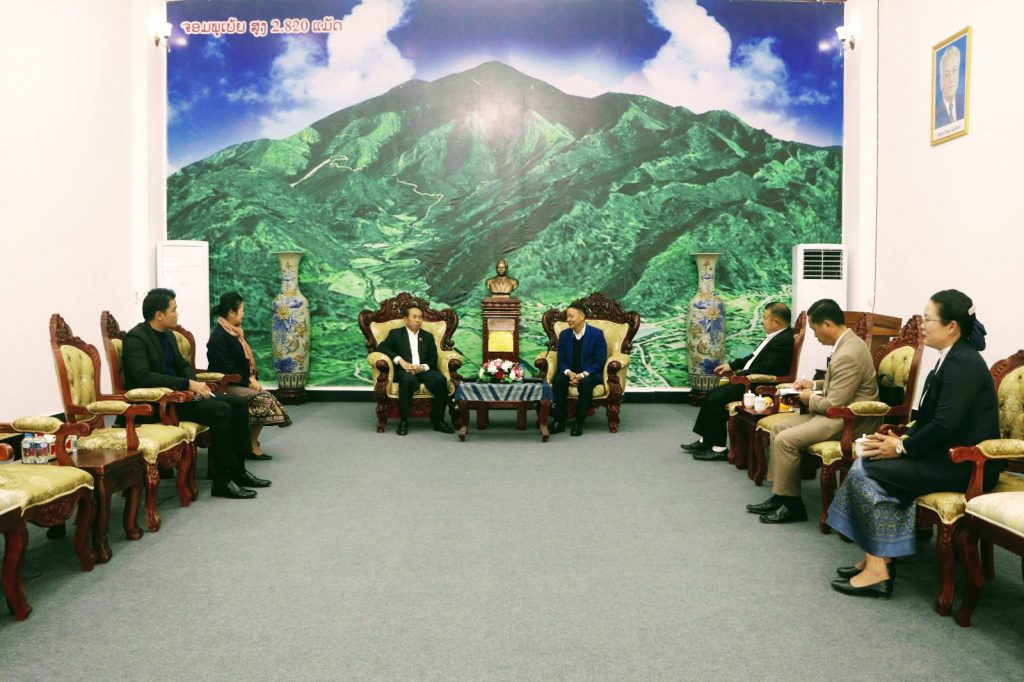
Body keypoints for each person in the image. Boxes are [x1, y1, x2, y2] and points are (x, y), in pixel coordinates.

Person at [826, 290, 1002, 598]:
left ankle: (878, 571)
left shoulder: (963, 363)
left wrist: (901, 448)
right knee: (869, 461)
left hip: (967, 466)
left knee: (868, 471)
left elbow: (946, 425)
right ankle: (879, 557)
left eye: (927, 319)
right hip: (944, 456)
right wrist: (901, 439)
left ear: (951, 326)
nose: (922, 324)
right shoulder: (952, 358)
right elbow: (930, 419)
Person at [122, 288, 271, 500]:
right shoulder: (136, 338)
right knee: (221, 410)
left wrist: (195, 384)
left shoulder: (168, 335)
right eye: (173, 310)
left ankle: (238, 471)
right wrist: (186, 384)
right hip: (158, 405)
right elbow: (143, 376)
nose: (177, 314)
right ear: (159, 315)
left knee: (237, 403)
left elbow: (183, 366)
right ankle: (222, 482)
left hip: (181, 398)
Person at [747, 299, 879, 524]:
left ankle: (793, 506)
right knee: (778, 428)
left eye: (815, 329)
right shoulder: (846, 344)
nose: (815, 335)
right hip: (835, 413)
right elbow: (837, 385)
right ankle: (781, 496)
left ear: (827, 324)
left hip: (848, 420)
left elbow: (833, 404)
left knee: (786, 439)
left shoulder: (849, 352)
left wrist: (809, 397)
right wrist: (813, 384)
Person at [682, 302, 795, 461]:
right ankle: (706, 442)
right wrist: (732, 366)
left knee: (716, 399)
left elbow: (767, 368)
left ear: (776, 322)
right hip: (748, 380)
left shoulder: (783, 341)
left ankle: (719, 448)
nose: (762, 322)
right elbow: (753, 358)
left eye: (765, 318)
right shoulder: (775, 337)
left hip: (757, 386)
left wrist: (740, 374)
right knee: (711, 394)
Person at [206, 291, 292, 461]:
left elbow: (240, 365)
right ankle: (250, 445)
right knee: (263, 399)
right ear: (231, 312)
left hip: (239, 382)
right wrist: (248, 381)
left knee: (264, 397)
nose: (244, 314)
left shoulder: (234, 333)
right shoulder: (219, 337)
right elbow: (226, 368)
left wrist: (250, 379)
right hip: (224, 385)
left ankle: (247, 442)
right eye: (242, 310)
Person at [377, 304, 455, 436]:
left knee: (440, 380)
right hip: (405, 371)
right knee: (407, 380)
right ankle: (404, 420)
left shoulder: (428, 336)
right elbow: (382, 347)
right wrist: (400, 360)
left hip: (423, 370)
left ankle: (438, 420)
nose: (418, 320)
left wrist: (422, 367)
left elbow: (433, 358)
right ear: (405, 319)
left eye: (420, 317)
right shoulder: (396, 334)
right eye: (414, 317)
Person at [550, 301, 607, 437]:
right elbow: (561, 359)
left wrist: (582, 375)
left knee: (586, 383)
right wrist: (569, 373)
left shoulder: (597, 334)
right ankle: (559, 420)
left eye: (571, 316)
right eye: (567, 316)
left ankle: (579, 421)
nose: (568, 319)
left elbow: (600, 361)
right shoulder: (564, 335)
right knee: (558, 381)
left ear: (582, 316)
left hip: (590, 373)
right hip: (570, 372)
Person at [935, 44, 965, 128]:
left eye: (954, 71)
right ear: (940, 81)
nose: (951, 79)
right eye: (947, 74)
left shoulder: (964, 102)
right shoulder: (936, 114)